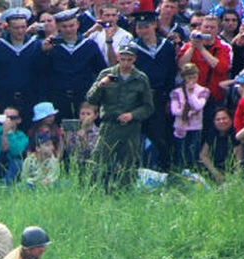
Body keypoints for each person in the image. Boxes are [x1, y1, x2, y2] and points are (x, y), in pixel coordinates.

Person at [85, 44, 154, 187]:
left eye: (129, 60)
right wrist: (101, 85)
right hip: (109, 126)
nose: (126, 63)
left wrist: (133, 115)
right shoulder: (106, 74)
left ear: (134, 59)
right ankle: (93, 191)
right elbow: (91, 99)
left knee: (127, 165)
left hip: (131, 128)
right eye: (123, 59)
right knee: (98, 161)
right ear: (117, 58)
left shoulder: (141, 79)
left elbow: (148, 107)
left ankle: (124, 193)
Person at [130, 10, 178, 171]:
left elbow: (171, 72)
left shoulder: (167, 46)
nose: (143, 30)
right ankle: (137, 168)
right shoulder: (132, 48)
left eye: (147, 26)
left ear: (154, 25)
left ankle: (165, 169)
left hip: (159, 96)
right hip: (139, 98)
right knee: (137, 134)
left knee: (160, 134)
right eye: (140, 27)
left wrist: (169, 97)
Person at [0, 8, 44, 124]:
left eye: (23, 27)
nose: (20, 31)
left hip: (29, 99)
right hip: (4, 99)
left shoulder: (35, 46)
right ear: (8, 27)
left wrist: (40, 100)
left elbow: (42, 75)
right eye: (16, 28)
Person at [41, 8, 107, 119]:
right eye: (64, 26)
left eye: (71, 25)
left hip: (84, 97)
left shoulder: (89, 45)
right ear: (58, 27)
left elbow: (101, 71)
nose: (68, 30)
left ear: (78, 24)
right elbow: (42, 72)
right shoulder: (52, 47)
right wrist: (44, 53)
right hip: (59, 97)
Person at [170, 63, 211, 168]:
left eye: (194, 77)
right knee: (180, 153)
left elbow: (198, 106)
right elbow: (174, 110)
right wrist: (187, 113)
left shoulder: (203, 91)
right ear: (184, 78)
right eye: (189, 77)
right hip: (180, 126)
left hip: (195, 127)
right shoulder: (176, 92)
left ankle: (190, 172)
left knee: (192, 153)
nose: (192, 80)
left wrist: (191, 93)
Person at [199, 106, 241, 180]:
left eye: (224, 118)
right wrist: (215, 173)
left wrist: (235, 177)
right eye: (218, 119)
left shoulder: (236, 135)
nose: (221, 121)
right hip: (213, 171)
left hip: (230, 172)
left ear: (231, 119)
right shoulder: (211, 134)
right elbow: (203, 155)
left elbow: (239, 159)